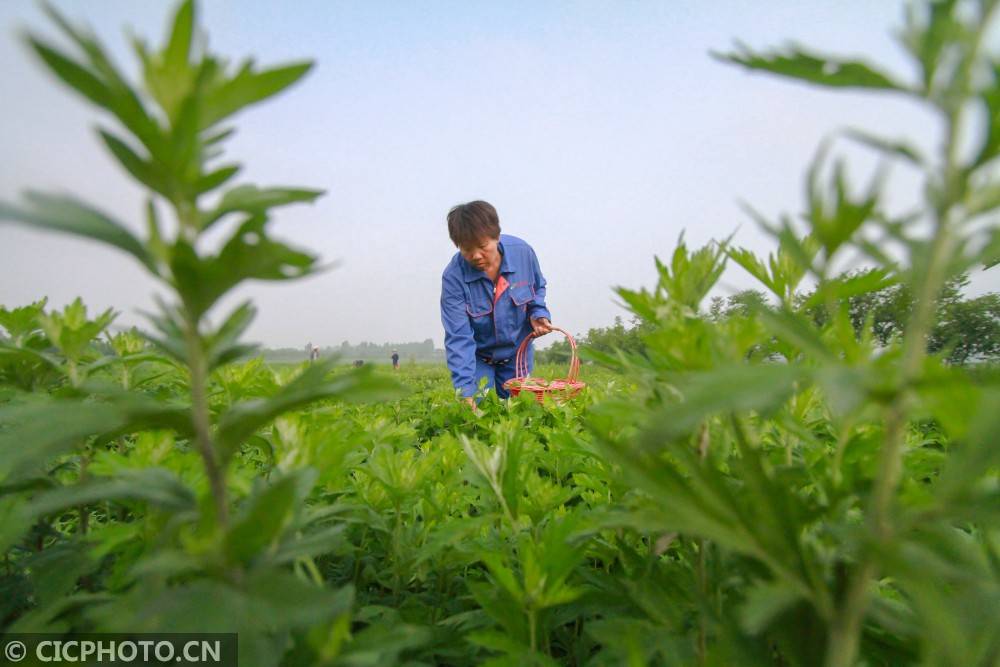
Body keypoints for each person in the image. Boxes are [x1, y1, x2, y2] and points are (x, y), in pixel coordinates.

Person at [440, 200, 552, 407]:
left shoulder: (523, 253)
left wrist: (538, 313)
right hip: (479, 359)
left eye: (483, 247)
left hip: (518, 355)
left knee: (520, 411)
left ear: (496, 236)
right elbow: (458, 337)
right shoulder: (453, 277)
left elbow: (538, 287)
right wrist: (465, 391)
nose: (476, 256)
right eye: (466, 249)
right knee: (481, 408)